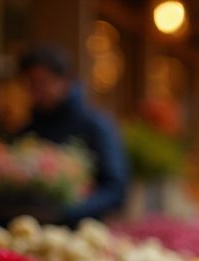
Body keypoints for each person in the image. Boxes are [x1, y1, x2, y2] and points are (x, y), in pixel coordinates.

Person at [19, 46, 128, 225]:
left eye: (43, 83)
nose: (35, 91)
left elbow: (115, 188)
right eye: (30, 84)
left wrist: (69, 211)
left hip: (84, 233)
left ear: (65, 81)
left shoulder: (96, 126)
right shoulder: (27, 131)